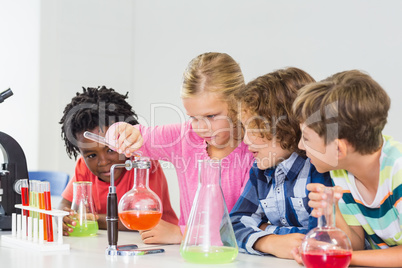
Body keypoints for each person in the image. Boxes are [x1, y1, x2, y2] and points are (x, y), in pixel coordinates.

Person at [104, 52, 254, 244]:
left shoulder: (253, 151)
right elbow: (119, 134)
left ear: (237, 104)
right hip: (189, 257)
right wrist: (122, 132)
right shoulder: (184, 137)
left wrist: (180, 233)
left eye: (211, 116)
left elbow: (242, 228)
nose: (201, 128)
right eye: (193, 117)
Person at [291, 70, 402, 267]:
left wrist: (342, 257)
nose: (300, 146)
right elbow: (356, 244)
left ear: (338, 149)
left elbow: (352, 254)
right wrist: (332, 210)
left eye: (306, 138)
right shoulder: (341, 171)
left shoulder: (397, 171)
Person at [229, 67, 332, 259]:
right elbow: (233, 224)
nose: (245, 140)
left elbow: (321, 239)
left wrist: (265, 227)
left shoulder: (320, 170)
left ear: (288, 127)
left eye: (254, 129)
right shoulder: (261, 170)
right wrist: (268, 242)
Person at [59, 86, 178, 236]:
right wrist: (64, 218)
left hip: (160, 245)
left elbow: (140, 220)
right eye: (91, 155)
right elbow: (65, 204)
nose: (103, 162)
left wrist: (92, 219)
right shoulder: (83, 166)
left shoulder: (143, 163)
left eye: (111, 150)